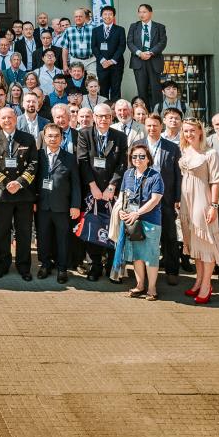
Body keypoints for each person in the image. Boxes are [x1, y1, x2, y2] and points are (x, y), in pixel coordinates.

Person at [76, 103, 129, 281]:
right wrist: (94, 187)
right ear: (94, 118)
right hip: (92, 190)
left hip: (112, 192)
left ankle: (112, 267)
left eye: (106, 116)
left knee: (112, 227)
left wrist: (112, 186)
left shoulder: (120, 137)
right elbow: (83, 161)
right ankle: (95, 266)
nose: (103, 119)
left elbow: (122, 164)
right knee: (93, 227)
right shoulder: (85, 134)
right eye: (100, 116)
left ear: (111, 117)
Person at [0, 105, 39, 280]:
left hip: (24, 194)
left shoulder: (28, 138)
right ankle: (2, 265)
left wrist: (20, 182)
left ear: (16, 119)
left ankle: (24, 267)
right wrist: (6, 183)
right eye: (3, 118)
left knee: (24, 232)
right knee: (2, 232)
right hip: (3, 195)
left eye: (10, 118)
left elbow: (34, 164)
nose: (7, 121)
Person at [177, 117, 219, 304]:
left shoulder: (210, 153)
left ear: (200, 132)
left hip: (202, 200)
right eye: (185, 131)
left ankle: (206, 285)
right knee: (193, 242)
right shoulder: (184, 150)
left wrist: (213, 206)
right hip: (186, 201)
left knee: (205, 243)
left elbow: (216, 182)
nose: (189, 134)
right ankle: (198, 280)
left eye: (192, 130)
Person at [115, 139, 165, 300]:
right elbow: (123, 196)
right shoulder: (128, 174)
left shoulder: (155, 176)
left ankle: (152, 288)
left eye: (142, 156)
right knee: (137, 255)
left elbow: (155, 200)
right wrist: (122, 211)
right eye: (135, 156)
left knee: (150, 255)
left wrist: (138, 213)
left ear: (148, 158)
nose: (138, 159)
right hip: (131, 221)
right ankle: (139, 285)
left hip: (150, 221)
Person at [35, 123, 81, 282]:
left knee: (63, 238)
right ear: (44, 137)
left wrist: (75, 205)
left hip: (62, 207)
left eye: (56, 136)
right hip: (42, 206)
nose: (53, 139)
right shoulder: (38, 155)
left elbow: (76, 183)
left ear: (62, 138)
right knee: (43, 237)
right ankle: (45, 265)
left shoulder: (69, 158)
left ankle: (62, 269)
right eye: (50, 136)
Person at [142, 113, 182, 285]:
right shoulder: (138, 146)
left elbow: (178, 175)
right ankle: (144, 271)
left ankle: (172, 270)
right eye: (149, 126)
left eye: (155, 126)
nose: (152, 129)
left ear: (161, 127)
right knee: (144, 235)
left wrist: (178, 198)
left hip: (166, 198)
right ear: (145, 127)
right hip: (143, 198)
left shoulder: (172, 148)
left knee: (170, 236)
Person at [126, 3, 167, 108]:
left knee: (155, 90)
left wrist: (150, 52)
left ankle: (157, 115)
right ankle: (143, 115)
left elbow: (162, 42)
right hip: (139, 61)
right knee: (142, 90)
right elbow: (130, 42)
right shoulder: (134, 26)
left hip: (154, 61)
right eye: (139, 12)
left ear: (150, 13)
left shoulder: (159, 27)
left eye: (144, 12)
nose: (141, 14)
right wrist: (140, 53)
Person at [94, 5, 126, 100]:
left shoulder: (120, 30)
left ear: (113, 16)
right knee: (103, 89)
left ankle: (115, 112)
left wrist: (112, 61)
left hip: (116, 64)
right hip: (102, 64)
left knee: (116, 89)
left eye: (110, 14)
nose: (107, 16)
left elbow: (122, 46)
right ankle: (103, 111)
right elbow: (94, 47)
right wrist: (103, 60)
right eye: (105, 14)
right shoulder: (96, 30)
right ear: (101, 16)